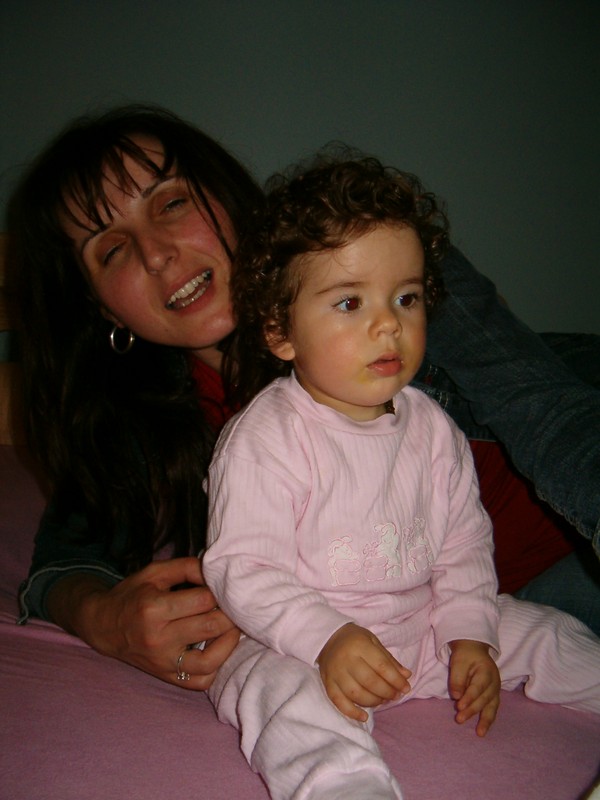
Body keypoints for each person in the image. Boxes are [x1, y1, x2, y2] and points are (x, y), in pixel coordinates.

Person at [11, 105, 600, 691]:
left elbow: (548, 412)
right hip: (469, 624)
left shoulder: (374, 255)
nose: (155, 253)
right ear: (103, 308)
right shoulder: (142, 422)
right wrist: (106, 619)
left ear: (224, 195)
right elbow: (63, 560)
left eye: (170, 204)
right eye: (111, 249)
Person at [202, 155, 600, 799]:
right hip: (302, 644)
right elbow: (242, 568)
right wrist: (326, 637)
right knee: (280, 695)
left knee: (546, 632)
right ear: (280, 331)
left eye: (406, 298)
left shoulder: (432, 427)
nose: (388, 323)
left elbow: (464, 544)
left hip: (423, 630)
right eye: (350, 302)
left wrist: (469, 634)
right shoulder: (265, 437)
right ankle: (347, 788)